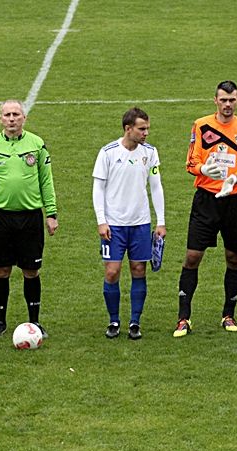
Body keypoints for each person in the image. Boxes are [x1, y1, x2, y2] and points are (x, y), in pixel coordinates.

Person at [174, 80, 237, 337]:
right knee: (192, 256)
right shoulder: (201, 125)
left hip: (234, 200)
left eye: (232, 100)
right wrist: (204, 170)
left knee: (234, 257)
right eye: (223, 100)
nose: (227, 104)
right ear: (215, 101)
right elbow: (191, 162)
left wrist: (234, 179)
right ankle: (183, 318)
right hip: (206, 200)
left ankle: (228, 315)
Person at [0, 100, 58, 338]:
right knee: (1, 271)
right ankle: (0, 321)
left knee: (31, 270)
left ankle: (35, 321)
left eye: (16, 114)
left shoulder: (37, 144)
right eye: (7, 115)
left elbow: (46, 180)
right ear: (0, 119)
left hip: (31, 217)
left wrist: (51, 213)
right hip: (0, 217)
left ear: (24, 118)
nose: (12, 119)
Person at [93, 108, 165, 340]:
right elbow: (98, 188)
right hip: (114, 225)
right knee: (112, 272)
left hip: (140, 223)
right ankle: (114, 320)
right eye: (142, 129)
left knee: (138, 270)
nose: (146, 133)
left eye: (147, 128)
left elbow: (156, 186)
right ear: (128, 128)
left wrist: (161, 222)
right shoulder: (108, 152)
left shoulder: (150, 152)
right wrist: (101, 221)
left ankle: (135, 322)